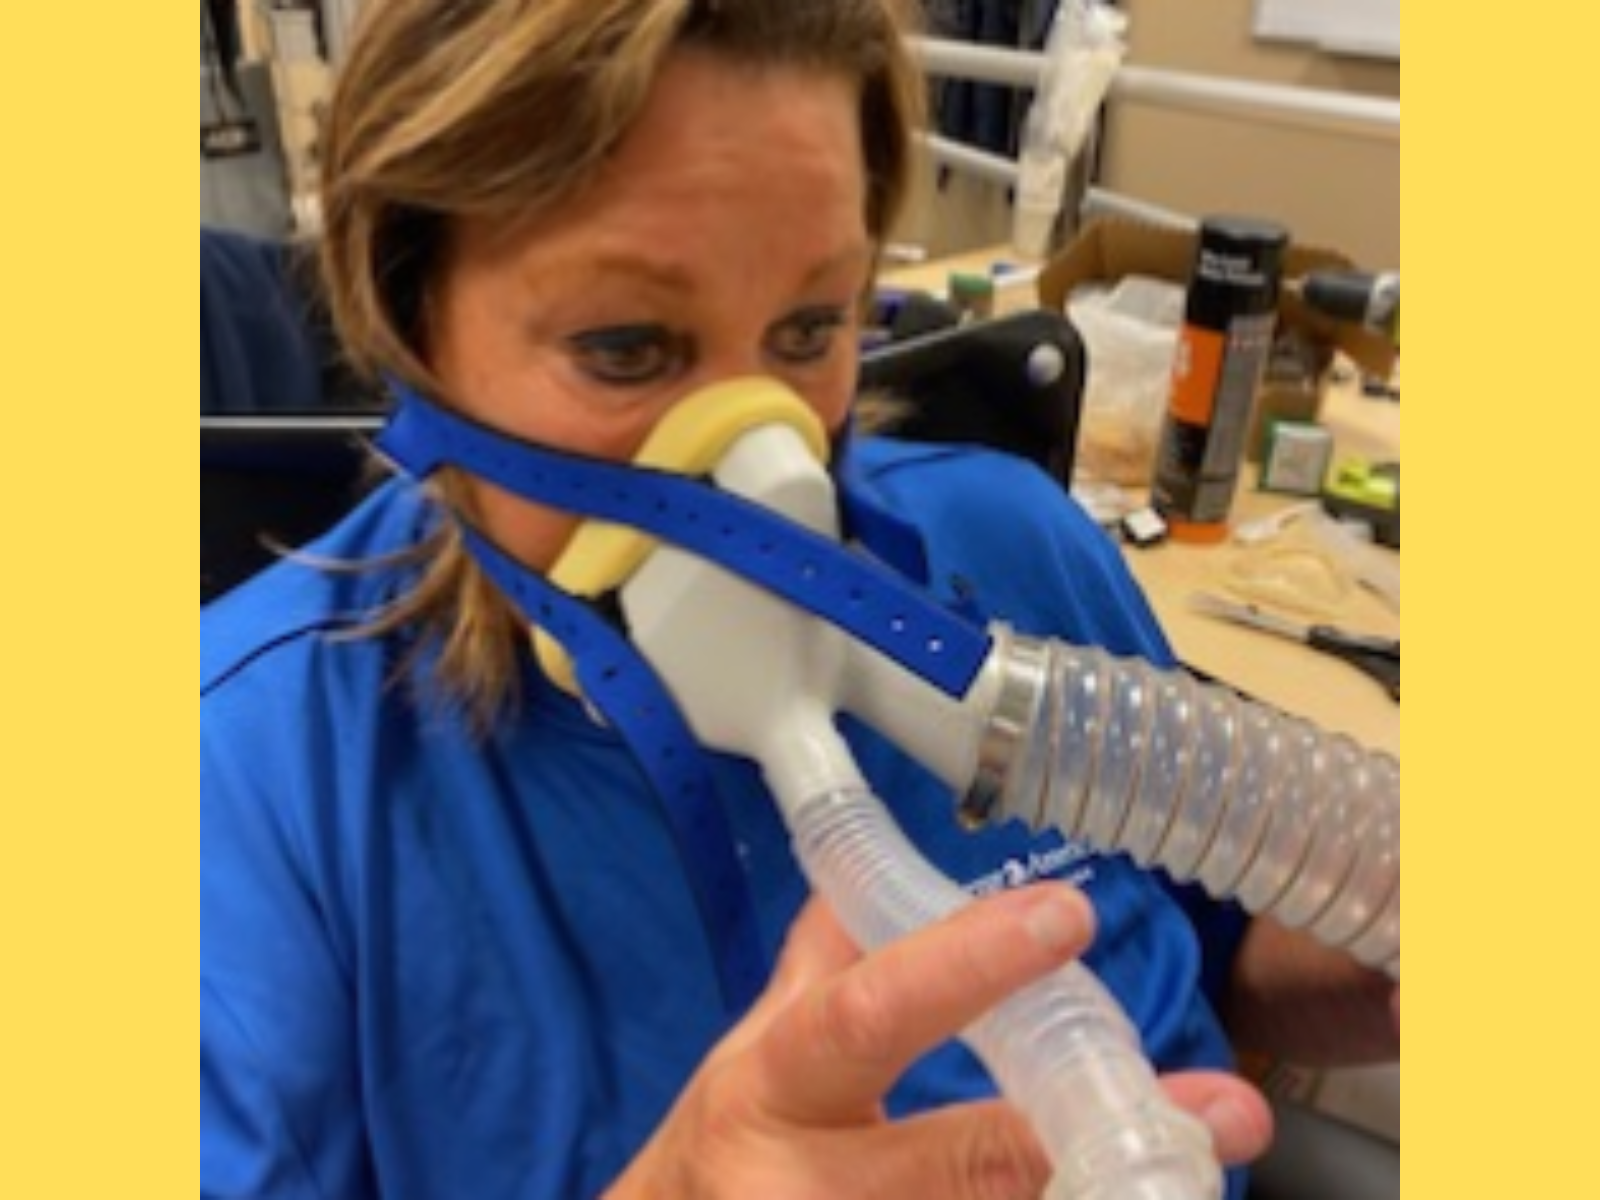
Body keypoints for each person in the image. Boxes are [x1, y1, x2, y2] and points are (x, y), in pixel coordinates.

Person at [200, 2, 1397, 1197]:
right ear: (411, 330)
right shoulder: (253, 786)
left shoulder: (1013, 546)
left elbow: (1218, 947)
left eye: (811, 326)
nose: (765, 468)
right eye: (626, 347)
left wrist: (1381, 951)